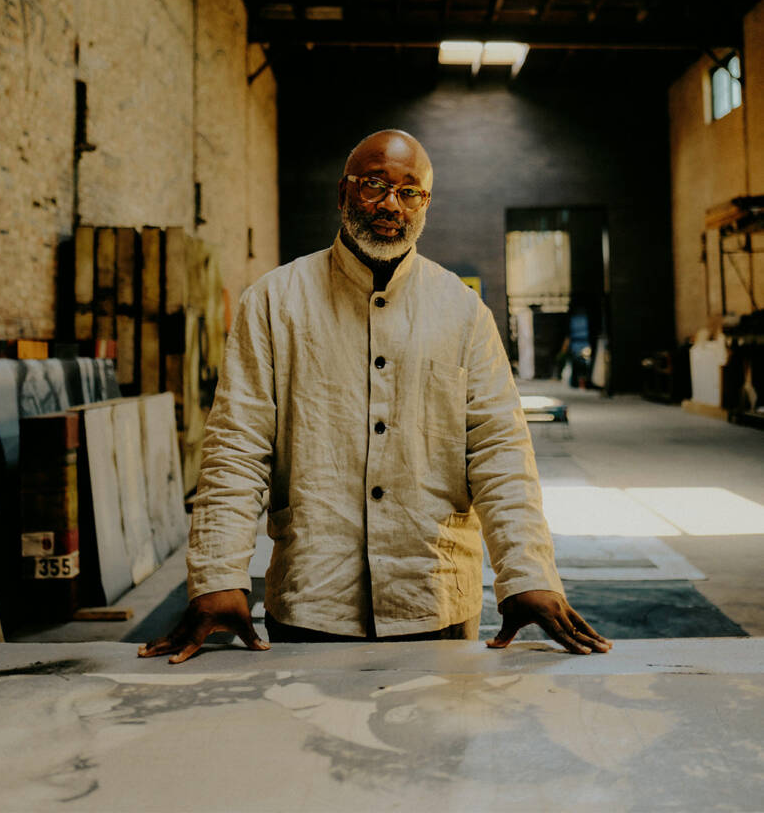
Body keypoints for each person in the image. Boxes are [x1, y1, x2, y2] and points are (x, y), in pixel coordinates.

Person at [139, 130, 611, 663]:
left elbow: (499, 452)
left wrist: (525, 572)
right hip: (312, 603)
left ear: (425, 205)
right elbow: (237, 447)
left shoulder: (462, 313)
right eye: (374, 185)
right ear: (343, 194)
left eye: (411, 191)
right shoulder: (274, 303)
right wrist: (218, 575)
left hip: (435, 600)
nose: (392, 203)